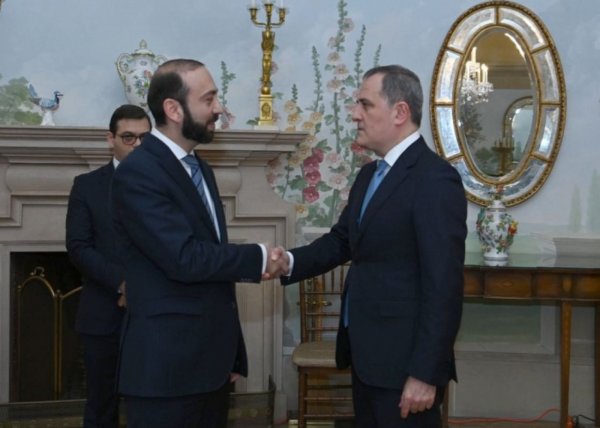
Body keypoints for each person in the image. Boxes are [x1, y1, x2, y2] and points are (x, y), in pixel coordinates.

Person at [280, 65, 467, 427]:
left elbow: (444, 286)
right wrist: (285, 261)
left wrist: (425, 373)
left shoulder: (434, 179)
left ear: (400, 112)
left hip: (406, 365)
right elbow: (341, 242)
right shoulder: (370, 175)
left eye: (365, 104)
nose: (354, 114)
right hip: (367, 356)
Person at [110, 59, 288, 428]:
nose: (219, 108)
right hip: (166, 372)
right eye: (208, 99)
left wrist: (232, 355)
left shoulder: (198, 167)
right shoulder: (139, 172)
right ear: (173, 109)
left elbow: (213, 280)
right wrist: (258, 258)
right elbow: (185, 258)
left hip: (209, 368)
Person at [66, 104, 151, 428]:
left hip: (155, 316)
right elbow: (78, 247)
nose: (137, 145)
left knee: (154, 407)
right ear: (110, 139)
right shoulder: (87, 186)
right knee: (101, 409)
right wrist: (122, 283)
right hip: (102, 316)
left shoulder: (168, 185)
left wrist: (143, 287)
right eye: (129, 137)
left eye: (145, 138)